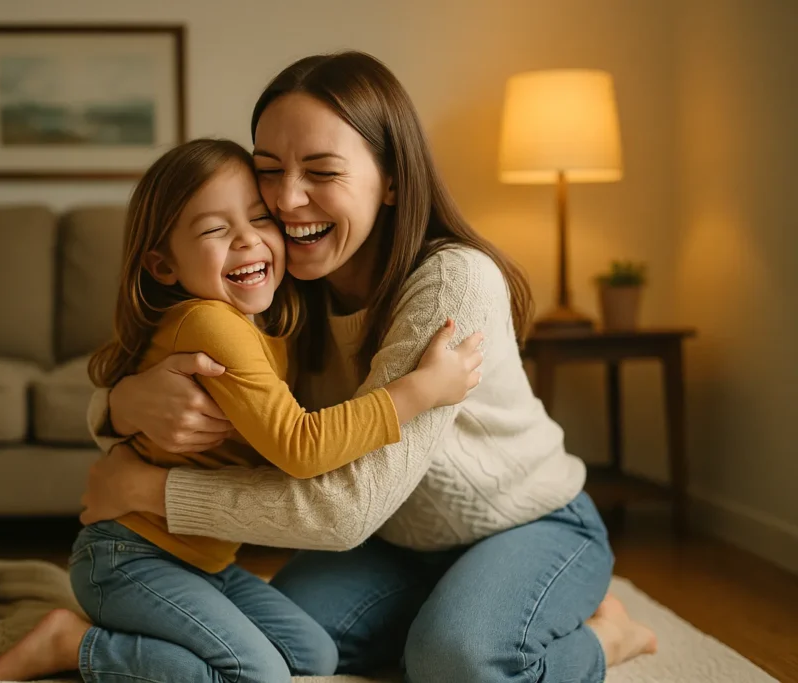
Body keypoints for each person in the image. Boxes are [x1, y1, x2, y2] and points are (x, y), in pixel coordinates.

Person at [80, 52, 659, 682]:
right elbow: (161, 359)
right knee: (287, 646)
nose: (287, 199)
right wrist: (120, 404)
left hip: (525, 524)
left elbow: (343, 511)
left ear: (390, 179)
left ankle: (609, 638)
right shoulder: (279, 283)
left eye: (322, 172)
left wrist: (151, 492)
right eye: (269, 171)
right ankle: (445, 613)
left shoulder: (451, 284)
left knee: (457, 663)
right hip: (394, 542)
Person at [0, 137, 484, 683]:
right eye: (215, 230)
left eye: (259, 218)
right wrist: (422, 389)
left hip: (207, 563)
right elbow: (301, 446)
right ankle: (75, 645)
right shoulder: (210, 322)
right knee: (258, 675)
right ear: (163, 265)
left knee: (315, 657)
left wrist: (121, 403)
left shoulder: (267, 320)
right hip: (130, 557)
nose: (247, 240)